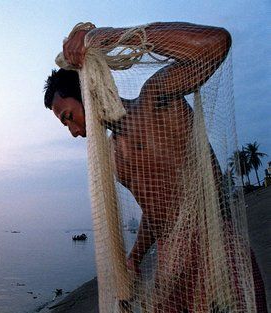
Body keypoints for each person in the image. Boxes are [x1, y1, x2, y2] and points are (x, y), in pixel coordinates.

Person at [44, 22, 267, 312]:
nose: (72, 131)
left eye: (67, 117)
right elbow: (155, 212)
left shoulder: (156, 102)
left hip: (214, 246)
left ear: (87, 91)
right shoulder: (114, 156)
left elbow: (217, 44)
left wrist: (102, 39)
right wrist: (135, 258)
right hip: (171, 258)